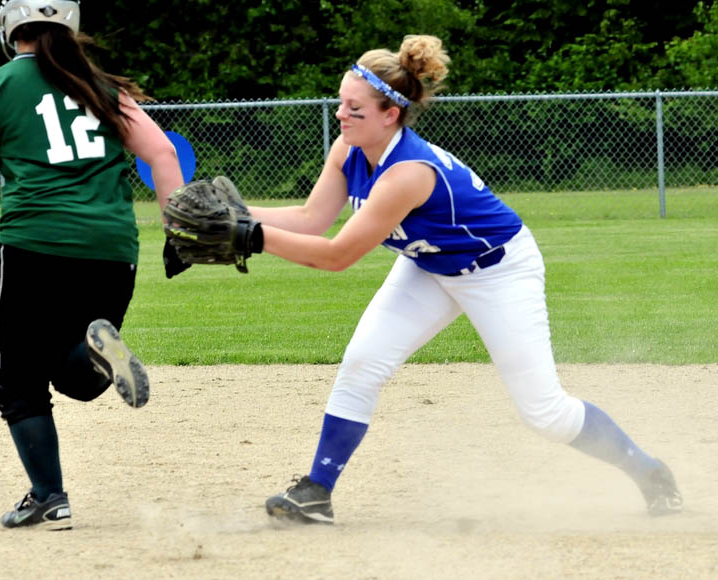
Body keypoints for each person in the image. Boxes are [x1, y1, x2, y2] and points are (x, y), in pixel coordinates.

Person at [246, 35, 683, 524]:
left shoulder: (407, 172)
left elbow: (336, 255)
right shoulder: (348, 150)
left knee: (545, 413)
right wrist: (236, 213)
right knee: (362, 363)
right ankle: (316, 494)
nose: (341, 115)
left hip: (499, 271)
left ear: (390, 115)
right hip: (429, 264)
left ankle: (649, 472)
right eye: (341, 104)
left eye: (354, 108)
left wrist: (251, 238)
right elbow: (310, 219)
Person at [0, 0, 185, 530]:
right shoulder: (103, 87)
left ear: (9, 27)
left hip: (34, 245)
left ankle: (48, 495)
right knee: (76, 375)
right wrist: (177, 231)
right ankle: (95, 349)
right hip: (112, 249)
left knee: (17, 379)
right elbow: (164, 156)